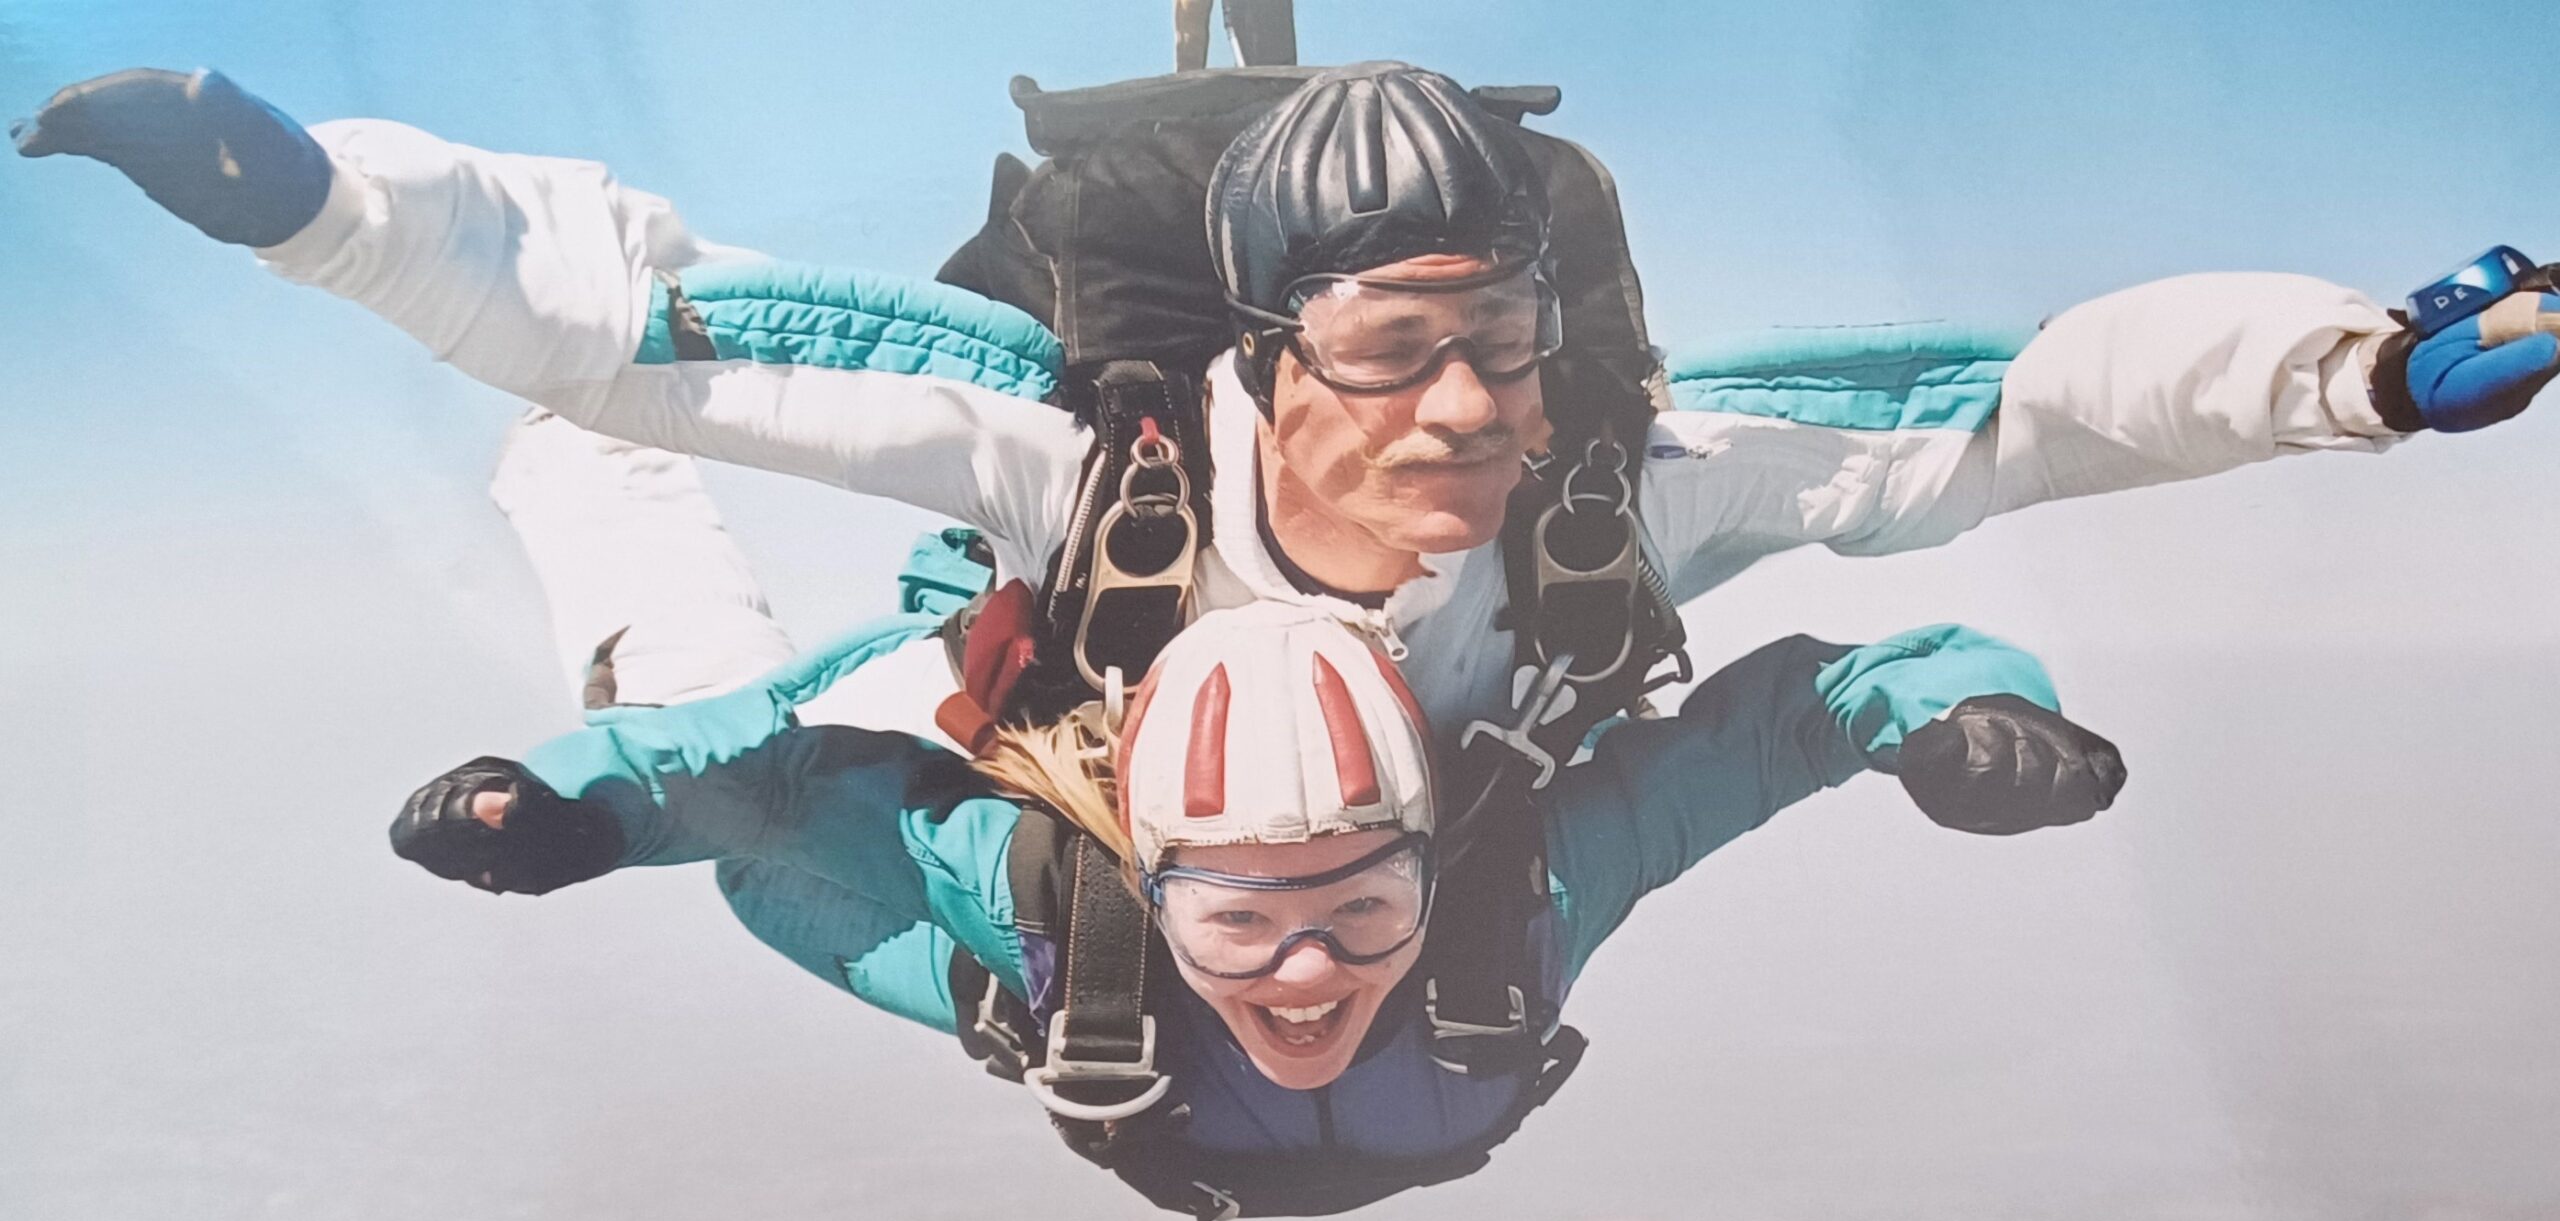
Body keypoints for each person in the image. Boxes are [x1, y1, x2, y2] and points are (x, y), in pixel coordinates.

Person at [16, 64, 2554, 747]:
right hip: (1070, 726)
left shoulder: (1614, 485)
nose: (1460, 403)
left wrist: (2348, 373)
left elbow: (2004, 415)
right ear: (1259, 355)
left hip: (1400, 844)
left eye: (1497, 335)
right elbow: (639, 317)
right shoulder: (1073, 454)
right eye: (1383, 348)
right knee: (705, 709)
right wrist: (312, 205)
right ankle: (610, 585)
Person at [383, 416, 2126, 1221]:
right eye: (1241, 921)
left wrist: (1962, 718)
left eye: (1362, 915)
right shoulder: (1068, 898)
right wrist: (576, 809)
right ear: (1155, 882)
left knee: (735, 796)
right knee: (719, 744)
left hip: (1095, 1023)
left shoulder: (1503, 906)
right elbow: (759, 789)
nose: (1303, 973)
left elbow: (1779, 727)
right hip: (1022, 961)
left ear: (1430, 870)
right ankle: (595, 455)